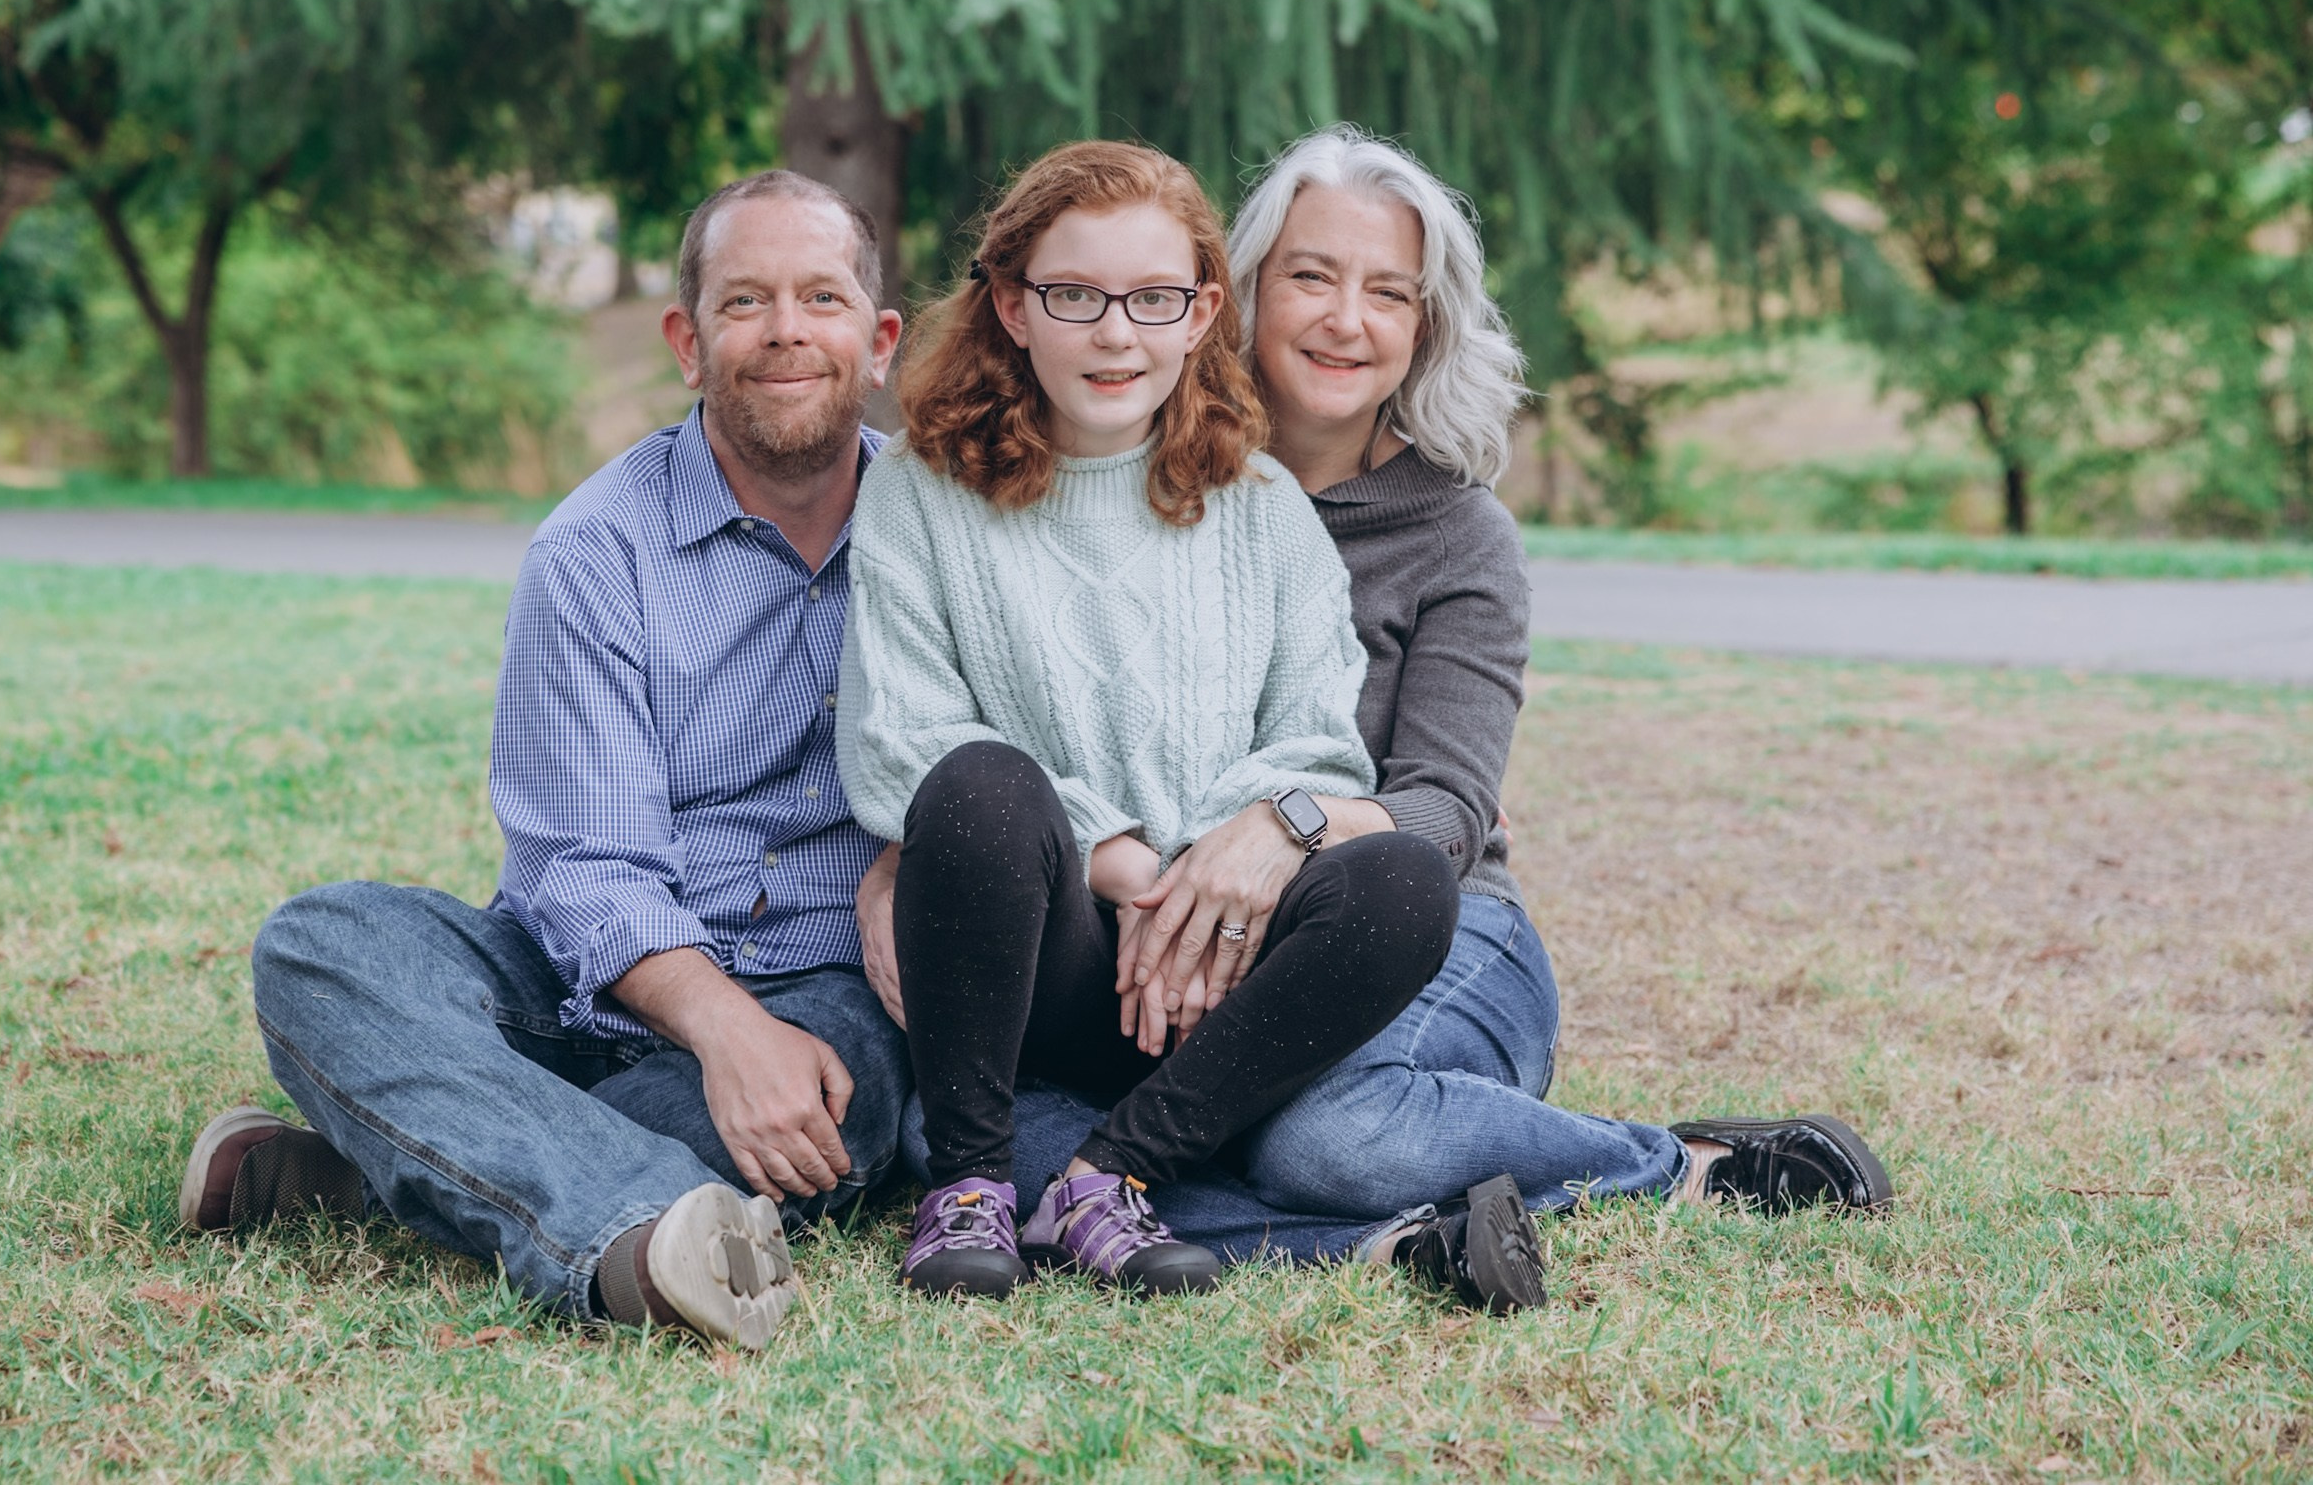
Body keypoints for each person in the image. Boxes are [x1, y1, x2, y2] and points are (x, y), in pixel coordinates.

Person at [935, 125, 1893, 1270]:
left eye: (1389, 292)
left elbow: (1443, 805)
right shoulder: (1108, 478)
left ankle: (1679, 1168)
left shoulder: (1458, 536)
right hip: (1166, 937)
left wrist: (1281, 828)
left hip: (1418, 929)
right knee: (974, 1132)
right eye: (1311, 277)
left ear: (1422, 328)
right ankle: (1399, 1246)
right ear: (1226, 296)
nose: (1349, 319)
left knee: (1330, 1136)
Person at [177, 170, 913, 1352]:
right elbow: (581, 864)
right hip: (583, 979)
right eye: (744, 303)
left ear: (877, 342)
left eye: (821, 298)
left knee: (849, 1092)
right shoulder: (593, 549)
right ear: (686, 342)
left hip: (821, 984)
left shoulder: (947, 529)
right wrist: (722, 1031)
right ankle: (631, 1226)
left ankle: (377, 1173)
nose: (785, 333)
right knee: (322, 947)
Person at [835, 140, 1547, 1310]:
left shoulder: (1274, 510)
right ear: (1014, 305)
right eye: (1314, 277)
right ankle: (1008, 1189)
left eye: (1386, 291)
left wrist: (1242, 859)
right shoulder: (927, 490)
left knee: (1397, 894)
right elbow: (911, 731)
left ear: (1195, 307)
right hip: (1078, 946)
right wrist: (1110, 863)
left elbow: (1396, 783)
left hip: (1247, 960)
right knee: (943, 1096)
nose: (1115, 330)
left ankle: (1114, 1177)